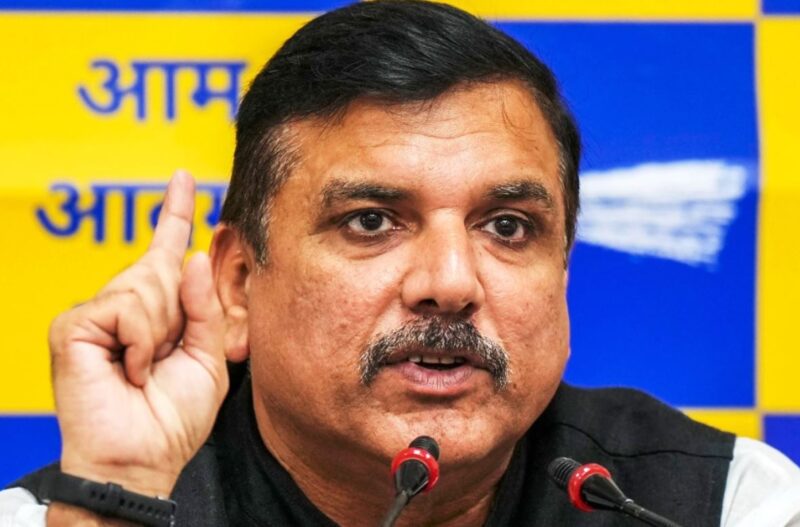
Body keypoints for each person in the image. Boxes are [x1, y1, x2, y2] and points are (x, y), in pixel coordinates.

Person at [2, 1, 800, 526]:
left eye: (508, 227)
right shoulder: (71, 510)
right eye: (372, 221)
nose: (449, 283)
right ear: (238, 286)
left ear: (562, 273)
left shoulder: (723, 504)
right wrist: (115, 495)